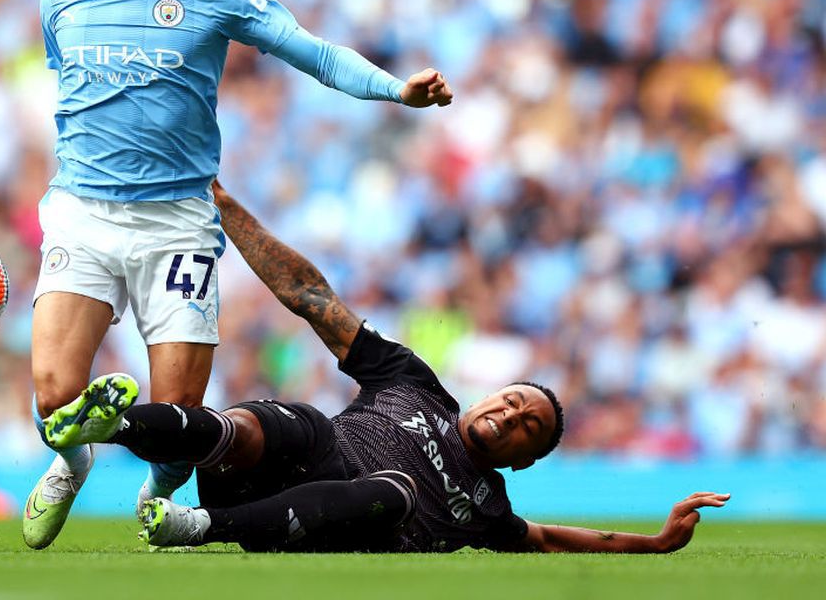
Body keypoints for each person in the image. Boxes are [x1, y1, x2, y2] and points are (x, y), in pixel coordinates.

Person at [22, 0, 453, 550]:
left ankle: (157, 491)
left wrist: (396, 89)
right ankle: (70, 465)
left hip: (177, 225)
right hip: (84, 214)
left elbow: (310, 51)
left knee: (179, 416)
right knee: (53, 396)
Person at [41, 181, 730, 553]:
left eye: (528, 428)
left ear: (522, 463)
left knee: (394, 491)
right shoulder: (414, 383)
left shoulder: (487, 509)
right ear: (486, 394)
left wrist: (655, 545)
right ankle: (99, 424)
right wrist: (227, 211)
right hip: (273, 465)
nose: (510, 415)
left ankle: (189, 527)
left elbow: (551, 537)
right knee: (285, 424)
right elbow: (315, 301)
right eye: (514, 400)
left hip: (305, 526)